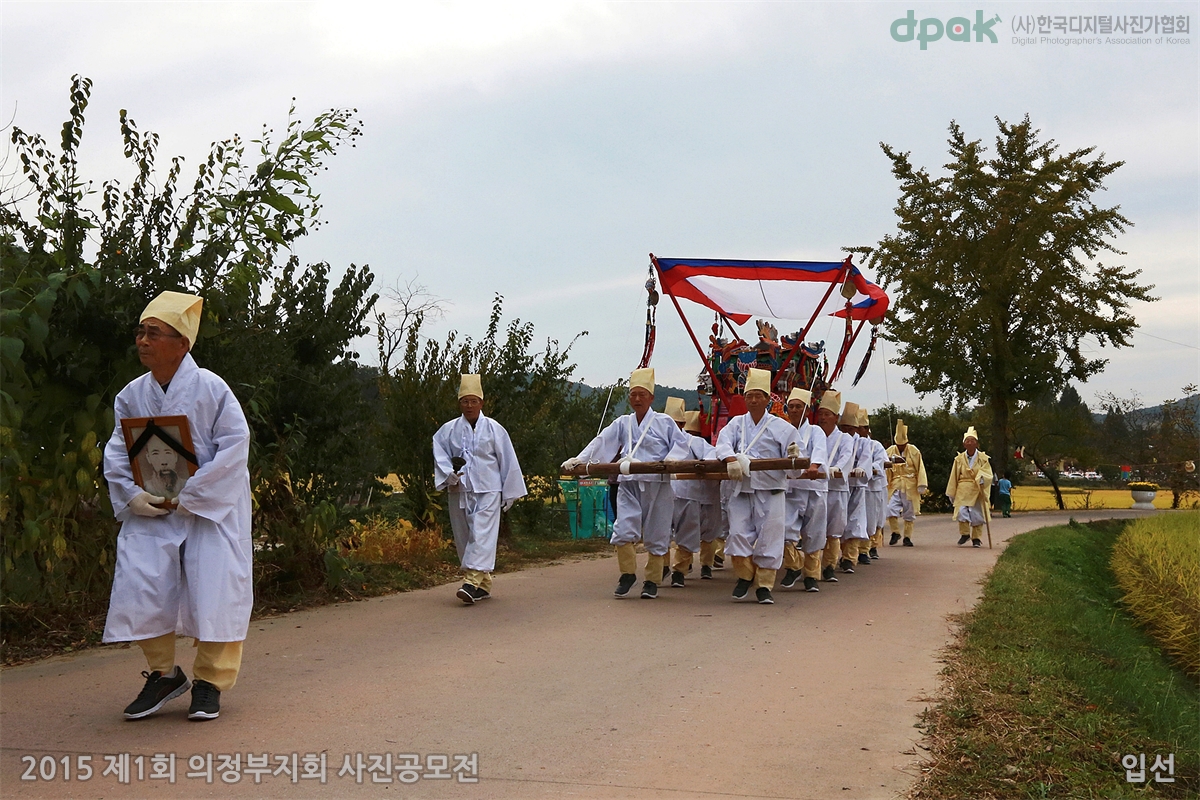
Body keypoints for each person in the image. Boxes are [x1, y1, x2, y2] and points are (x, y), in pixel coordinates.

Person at [103, 291, 252, 722]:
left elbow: (234, 446)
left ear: (182, 344)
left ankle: (210, 682)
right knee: (141, 582)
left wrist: (191, 494)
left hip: (209, 510)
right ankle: (164, 674)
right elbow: (118, 449)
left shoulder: (212, 389)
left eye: (154, 333)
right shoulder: (131, 395)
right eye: (140, 332)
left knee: (216, 589)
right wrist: (132, 495)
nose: (143, 340)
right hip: (153, 507)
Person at [563, 368, 692, 599]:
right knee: (623, 528)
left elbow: (681, 444)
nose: (637, 399)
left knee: (657, 532)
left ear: (651, 398)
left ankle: (652, 581)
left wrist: (670, 461)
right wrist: (580, 461)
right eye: (633, 394)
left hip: (656, 483)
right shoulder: (623, 423)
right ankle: (627, 574)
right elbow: (602, 441)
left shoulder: (664, 422)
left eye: (642, 394)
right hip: (629, 482)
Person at [433, 374, 527, 604]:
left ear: (481, 403)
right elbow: (440, 455)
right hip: (460, 489)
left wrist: (509, 491)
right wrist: (449, 474)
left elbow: (508, 460)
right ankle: (483, 584)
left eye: (473, 401)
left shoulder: (494, 429)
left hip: (489, 489)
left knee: (482, 534)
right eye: (465, 401)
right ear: (459, 403)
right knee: (464, 536)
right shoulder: (448, 430)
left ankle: (470, 581)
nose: (469, 406)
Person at [715, 368, 801, 604]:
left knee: (770, 536)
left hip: (771, 489)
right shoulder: (736, 424)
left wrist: (794, 457)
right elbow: (722, 443)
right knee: (737, 533)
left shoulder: (783, 427)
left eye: (758, 396)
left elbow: (796, 467)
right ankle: (745, 575)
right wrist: (730, 459)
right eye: (749, 396)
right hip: (742, 487)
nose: (753, 400)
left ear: (767, 399)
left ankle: (764, 585)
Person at [780, 387, 827, 593]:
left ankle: (811, 575)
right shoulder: (783, 431)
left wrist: (814, 466)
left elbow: (820, 450)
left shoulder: (815, 431)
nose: (794, 410)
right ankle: (794, 565)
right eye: (791, 406)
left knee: (814, 533)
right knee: (785, 529)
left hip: (813, 487)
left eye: (798, 406)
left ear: (807, 410)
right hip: (791, 488)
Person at [667, 410, 720, 586]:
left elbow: (712, 457)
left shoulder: (694, 442)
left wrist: (704, 465)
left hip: (690, 494)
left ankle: (685, 569)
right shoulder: (660, 442)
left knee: (697, 532)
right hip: (668, 494)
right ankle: (665, 568)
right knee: (663, 533)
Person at [816, 390, 852, 582]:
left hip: (836, 489)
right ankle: (811, 568)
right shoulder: (815, 435)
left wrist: (837, 468)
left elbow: (847, 457)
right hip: (817, 488)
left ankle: (829, 566)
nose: (823, 418)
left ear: (835, 417)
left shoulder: (845, 438)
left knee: (834, 530)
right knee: (814, 529)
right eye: (821, 414)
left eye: (827, 414)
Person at [839, 402, 872, 571]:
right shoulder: (837, 439)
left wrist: (862, 469)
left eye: (850, 428)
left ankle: (849, 558)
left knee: (854, 520)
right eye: (843, 427)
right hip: (839, 485)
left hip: (856, 486)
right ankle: (836, 555)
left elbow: (866, 459)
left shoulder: (864, 443)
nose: (846, 431)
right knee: (838, 521)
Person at [947, 426, 994, 547]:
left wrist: (983, 478)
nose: (970, 443)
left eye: (972, 440)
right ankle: (965, 533)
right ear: (964, 444)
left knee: (976, 513)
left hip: (977, 487)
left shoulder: (983, 458)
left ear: (977, 443)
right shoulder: (959, 459)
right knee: (961, 511)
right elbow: (954, 475)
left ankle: (976, 538)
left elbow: (988, 472)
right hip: (963, 488)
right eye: (967, 441)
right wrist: (952, 492)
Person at [885, 420, 927, 547]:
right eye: (898, 445)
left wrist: (921, 484)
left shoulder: (914, 451)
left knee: (909, 511)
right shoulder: (890, 451)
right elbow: (886, 468)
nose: (900, 447)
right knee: (890, 508)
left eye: (902, 445)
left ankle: (907, 537)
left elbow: (920, 467)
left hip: (910, 485)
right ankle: (895, 532)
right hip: (895, 484)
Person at [859, 408, 889, 560]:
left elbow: (881, 462)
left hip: (873, 488)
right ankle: (856, 551)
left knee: (873, 518)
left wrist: (867, 469)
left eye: (860, 428)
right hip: (856, 487)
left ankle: (869, 548)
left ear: (866, 429)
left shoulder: (875, 445)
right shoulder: (850, 442)